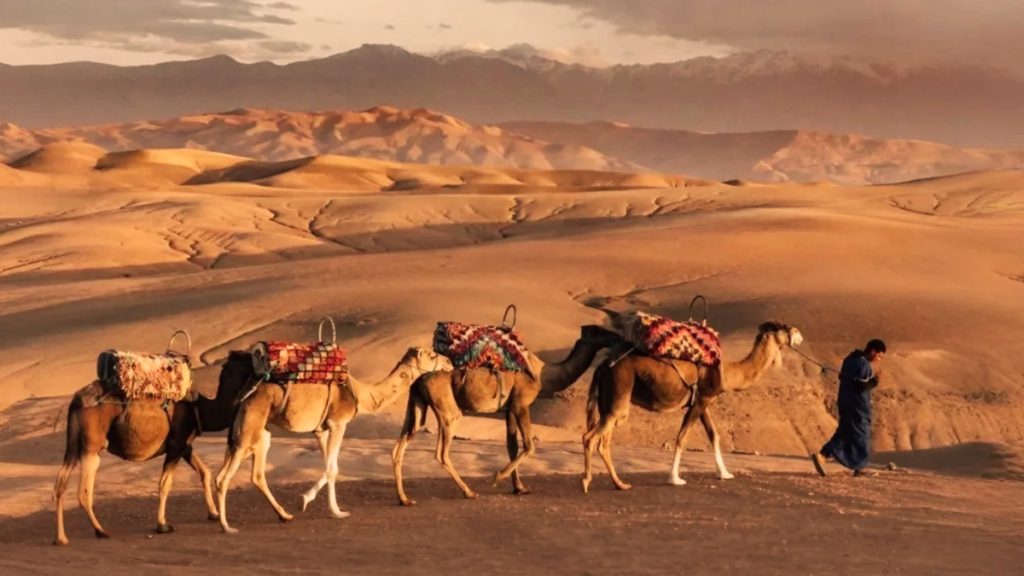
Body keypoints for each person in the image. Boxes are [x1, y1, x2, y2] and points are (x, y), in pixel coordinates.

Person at [811, 339, 887, 477]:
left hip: (844, 401)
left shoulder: (849, 360)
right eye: (879, 356)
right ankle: (860, 467)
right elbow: (862, 387)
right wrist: (875, 380)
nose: (879, 359)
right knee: (862, 433)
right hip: (857, 405)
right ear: (872, 351)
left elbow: (843, 377)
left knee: (845, 431)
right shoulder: (863, 364)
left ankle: (823, 455)